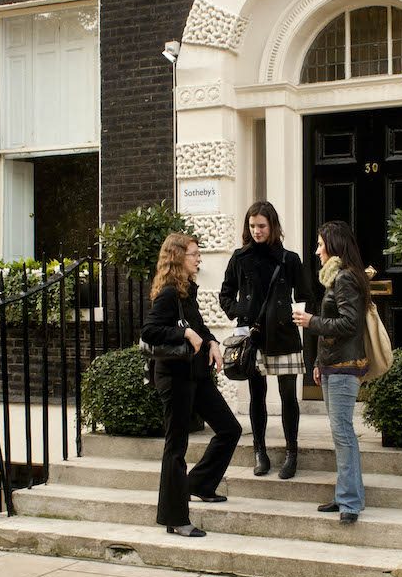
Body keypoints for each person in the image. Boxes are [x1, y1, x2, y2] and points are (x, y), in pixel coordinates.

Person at [142, 233, 242, 538]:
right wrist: (184, 336)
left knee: (229, 429)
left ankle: (199, 483)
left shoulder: (186, 291)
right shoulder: (169, 294)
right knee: (176, 447)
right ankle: (175, 517)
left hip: (196, 375)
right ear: (177, 258)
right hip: (176, 379)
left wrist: (210, 341)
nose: (199, 259)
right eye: (194, 254)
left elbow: (197, 325)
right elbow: (150, 331)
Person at [219, 201, 314, 479]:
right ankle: (259, 451)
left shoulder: (289, 259)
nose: (257, 231)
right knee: (257, 396)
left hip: (284, 334)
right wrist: (242, 312)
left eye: (261, 225)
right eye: (252, 226)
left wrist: (295, 314)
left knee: (288, 398)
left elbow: (307, 294)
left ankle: (291, 453)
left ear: (272, 226)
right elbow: (225, 295)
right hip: (252, 336)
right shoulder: (239, 257)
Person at [293, 220, 369, 524]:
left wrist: (311, 321)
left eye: (321, 245)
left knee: (343, 433)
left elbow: (350, 325)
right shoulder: (336, 278)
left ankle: (350, 502)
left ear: (334, 246)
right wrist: (317, 364)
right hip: (331, 366)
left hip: (343, 367)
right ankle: (345, 496)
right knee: (341, 434)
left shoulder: (345, 279)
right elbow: (334, 328)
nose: (317, 251)